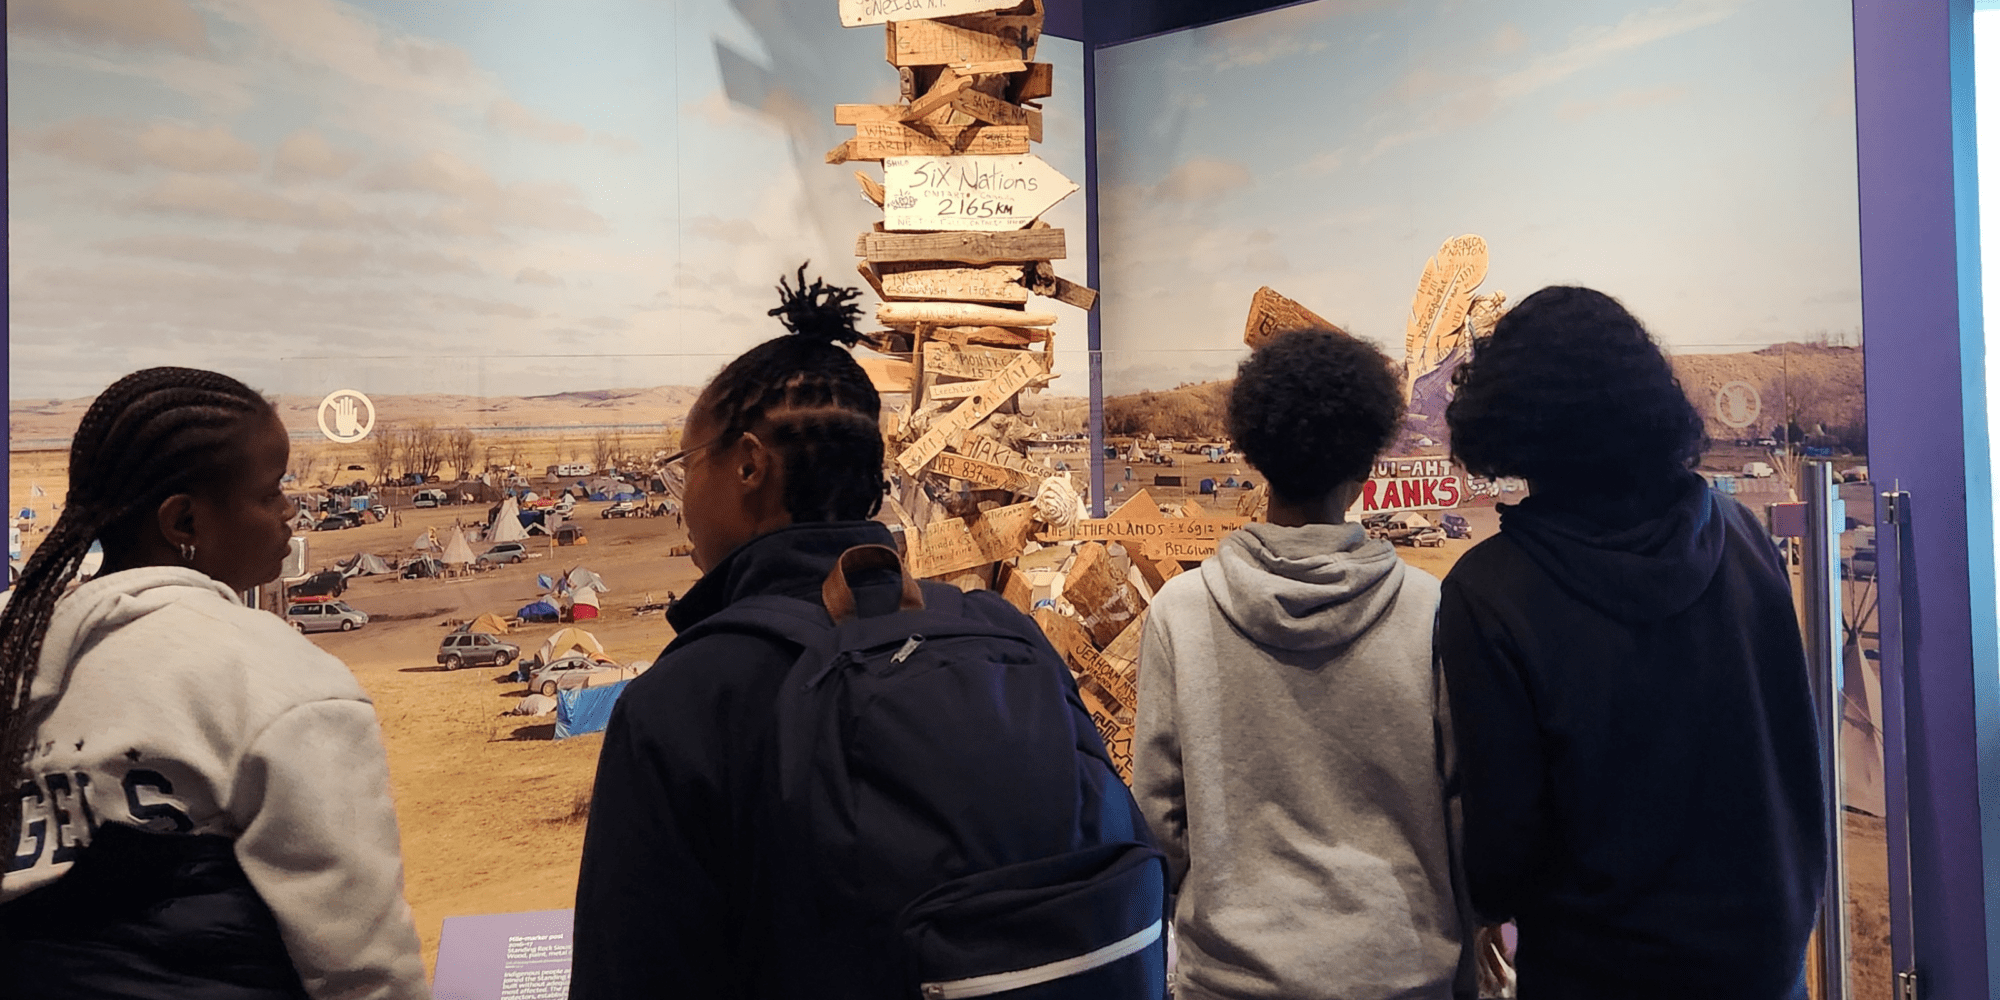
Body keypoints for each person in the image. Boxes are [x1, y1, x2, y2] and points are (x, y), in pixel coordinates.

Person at [572, 270, 1152, 998]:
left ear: (748, 463)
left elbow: (628, 977)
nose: (681, 494)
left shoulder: (686, 702)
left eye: (685, 466)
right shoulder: (1005, 637)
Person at [1437, 287, 1823, 998]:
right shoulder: (1744, 537)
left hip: (1598, 972)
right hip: (1767, 965)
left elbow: (1502, 858)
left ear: (1504, 414)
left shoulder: (1488, 592)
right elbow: (1796, 753)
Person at [0, 367, 429, 999]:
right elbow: (362, 969)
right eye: (271, 490)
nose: (291, 510)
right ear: (185, 523)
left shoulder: (18, 666)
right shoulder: (277, 680)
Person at [1133, 328, 1467, 1000]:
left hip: (1230, 978)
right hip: (1401, 972)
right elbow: (1462, 814)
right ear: (1370, 462)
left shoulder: (1182, 611)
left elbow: (1159, 821)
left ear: (1252, 450)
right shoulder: (1433, 611)